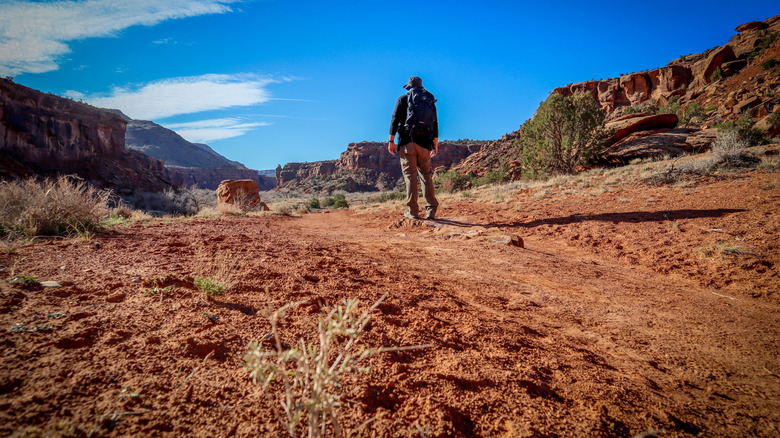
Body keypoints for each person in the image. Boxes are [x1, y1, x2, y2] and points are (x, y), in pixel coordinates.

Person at [388, 76, 439, 220]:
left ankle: (413, 211)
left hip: (407, 142)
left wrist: (391, 140)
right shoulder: (429, 100)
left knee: (410, 176)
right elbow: (435, 123)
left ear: (409, 86)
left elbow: (395, 118)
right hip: (425, 143)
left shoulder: (403, 99)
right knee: (426, 176)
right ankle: (431, 210)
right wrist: (435, 144)